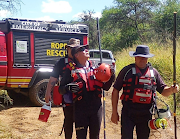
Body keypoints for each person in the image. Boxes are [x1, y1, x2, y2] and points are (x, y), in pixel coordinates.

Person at [111, 45, 179, 139]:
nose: (142, 60)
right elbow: (115, 90)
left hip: (146, 113)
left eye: (144, 58)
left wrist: (172, 90)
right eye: (139, 57)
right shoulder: (127, 71)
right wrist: (114, 112)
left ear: (147, 59)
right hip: (128, 112)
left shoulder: (154, 73)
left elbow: (163, 91)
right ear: (135, 57)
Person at [59, 45, 115, 139]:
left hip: (96, 107)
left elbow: (106, 87)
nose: (86, 50)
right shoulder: (71, 71)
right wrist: (67, 88)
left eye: (86, 49)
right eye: (82, 50)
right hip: (80, 108)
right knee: (81, 136)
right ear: (76, 55)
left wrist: (112, 75)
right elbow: (60, 89)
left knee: (95, 136)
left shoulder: (96, 68)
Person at [45, 38, 80, 139]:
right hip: (67, 96)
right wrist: (48, 93)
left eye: (76, 49)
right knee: (68, 120)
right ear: (67, 49)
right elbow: (53, 79)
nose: (74, 51)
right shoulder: (61, 62)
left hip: (81, 97)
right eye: (72, 49)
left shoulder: (82, 61)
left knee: (80, 121)